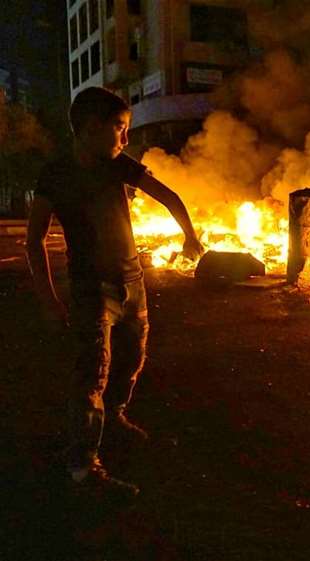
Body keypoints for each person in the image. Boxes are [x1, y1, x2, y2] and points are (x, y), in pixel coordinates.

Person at [26, 87, 204, 499]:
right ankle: (82, 468)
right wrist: (49, 300)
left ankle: (118, 414)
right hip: (92, 292)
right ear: (90, 129)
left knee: (133, 354)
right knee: (92, 374)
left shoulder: (118, 165)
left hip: (133, 283)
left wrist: (190, 235)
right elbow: (34, 241)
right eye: (120, 129)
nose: (126, 139)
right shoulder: (55, 175)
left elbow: (168, 196)